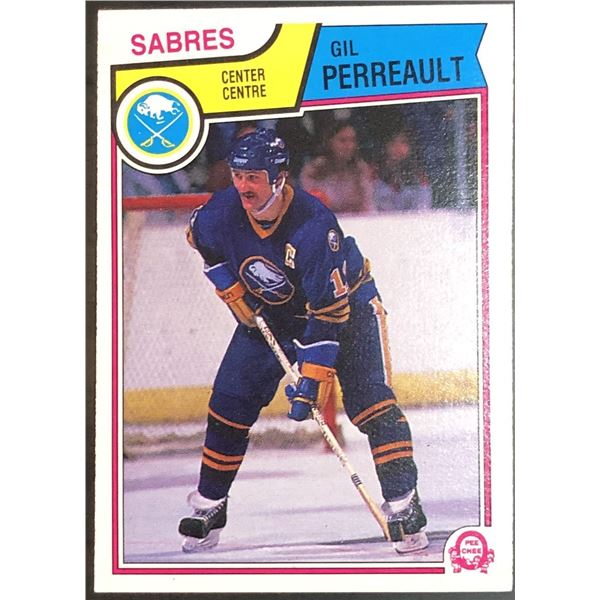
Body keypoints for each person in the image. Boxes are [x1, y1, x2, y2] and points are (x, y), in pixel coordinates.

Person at [179, 128, 428, 554]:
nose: (243, 186)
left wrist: (312, 380)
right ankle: (210, 505)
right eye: (238, 175)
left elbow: (328, 313)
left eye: (253, 177)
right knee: (229, 401)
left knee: (370, 404)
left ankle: (405, 504)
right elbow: (200, 239)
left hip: (346, 311)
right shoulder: (221, 211)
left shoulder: (314, 227)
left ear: (279, 178)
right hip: (274, 313)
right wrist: (229, 286)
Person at [299, 120, 375, 214]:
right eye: (342, 140)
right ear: (329, 142)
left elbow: (368, 205)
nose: (349, 146)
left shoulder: (361, 169)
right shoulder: (314, 170)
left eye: (352, 140)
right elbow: (310, 206)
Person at [372, 129, 433, 212]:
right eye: (393, 142)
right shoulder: (373, 173)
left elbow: (423, 208)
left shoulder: (419, 176)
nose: (398, 147)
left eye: (403, 142)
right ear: (386, 145)